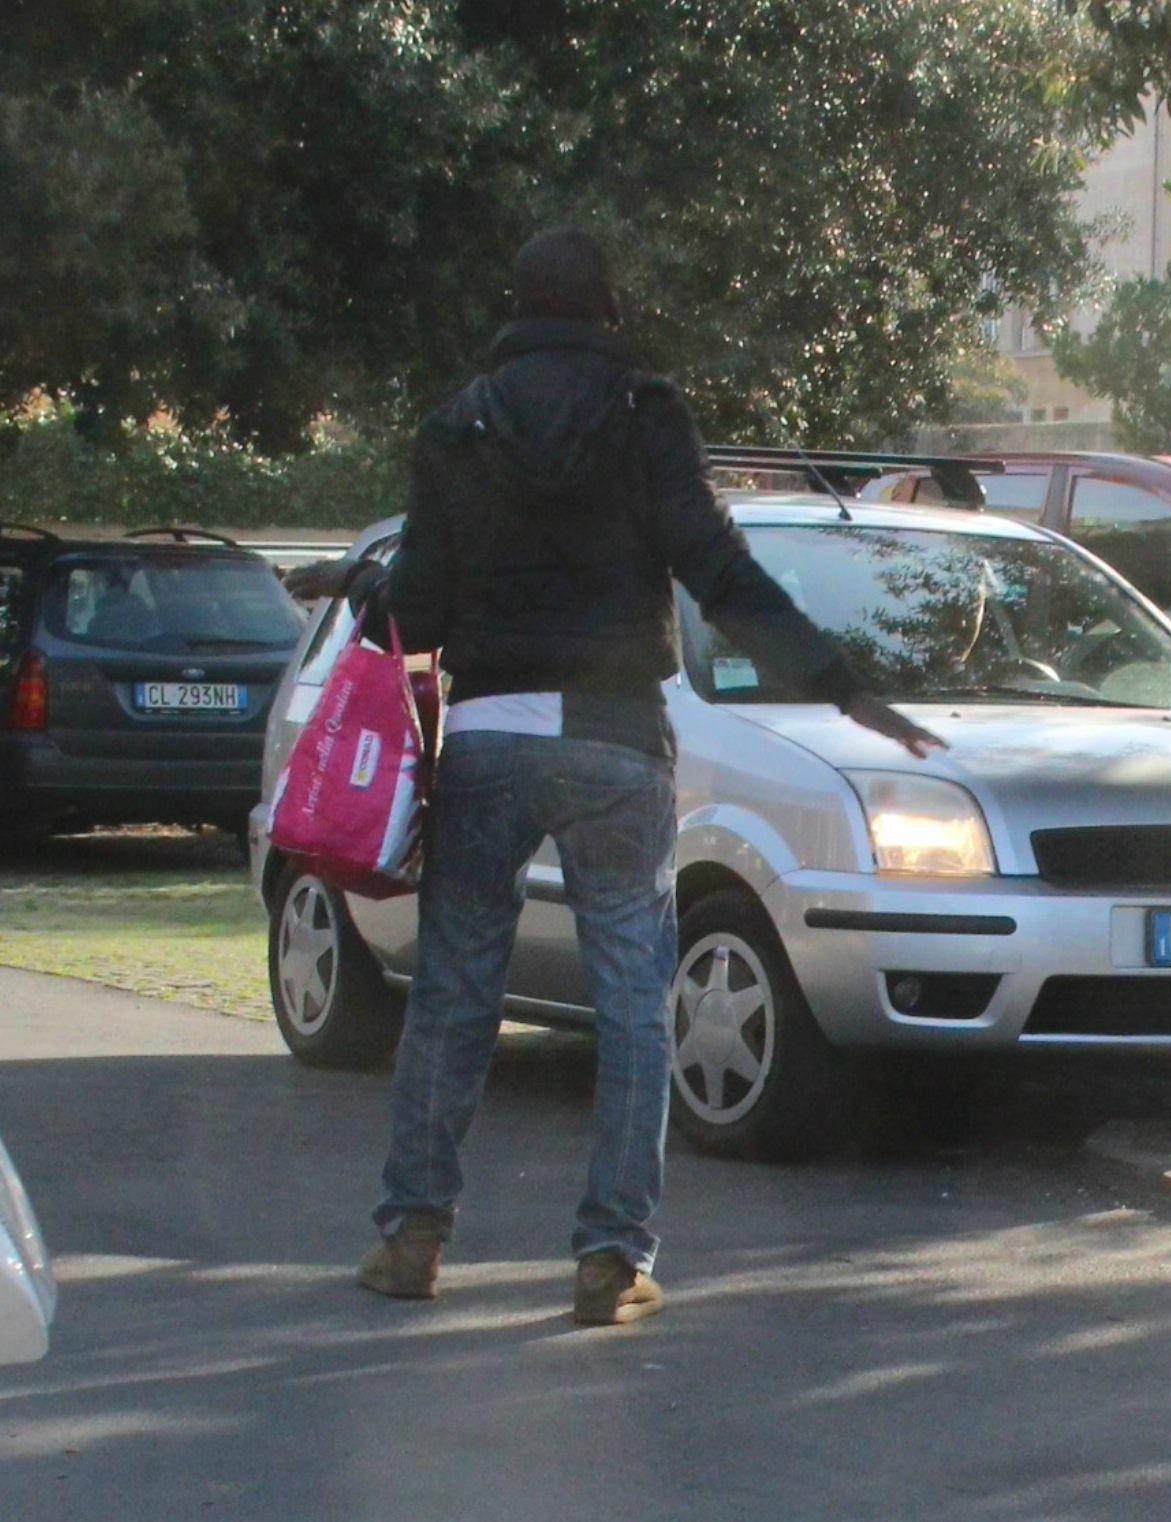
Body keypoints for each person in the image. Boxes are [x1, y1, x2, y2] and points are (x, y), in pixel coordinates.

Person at [297, 228, 941, 1326]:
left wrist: (359, 594)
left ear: (517, 304)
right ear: (607, 308)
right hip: (615, 737)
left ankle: (411, 1239)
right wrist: (839, 685)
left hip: (489, 731)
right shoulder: (647, 416)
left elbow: (424, 608)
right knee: (636, 1000)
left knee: (453, 992)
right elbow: (719, 571)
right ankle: (610, 1257)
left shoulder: (457, 426)